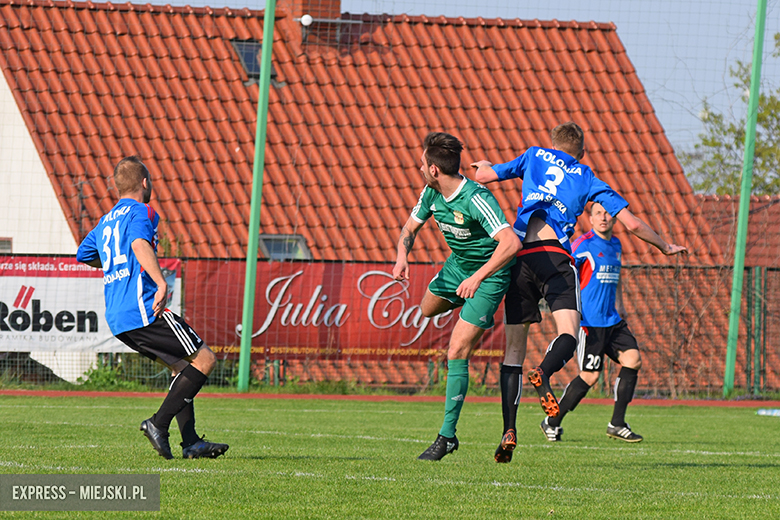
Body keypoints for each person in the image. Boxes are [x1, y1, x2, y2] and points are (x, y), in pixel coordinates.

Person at [473, 122, 686, 463]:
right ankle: (543, 371)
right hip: (554, 257)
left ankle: (508, 431)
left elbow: (486, 176)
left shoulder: (532, 155)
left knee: (512, 353)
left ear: (552, 144)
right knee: (569, 334)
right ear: (581, 151)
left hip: (519, 258)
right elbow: (631, 223)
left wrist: (483, 167)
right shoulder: (587, 177)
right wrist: (663, 245)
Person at [77, 156, 228, 460]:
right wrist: (161, 282)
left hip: (119, 317)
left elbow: (84, 254)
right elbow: (138, 245)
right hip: (143, 308)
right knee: (205, 359)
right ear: (145, 183)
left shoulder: (106, 220)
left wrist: (115, 261)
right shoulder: (142, 211)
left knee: (181, 368)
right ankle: (158, 424)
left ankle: (191, 443)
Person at [393, 132, 521, 461]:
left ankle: (446, 437)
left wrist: (478, 279)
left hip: (489, 276)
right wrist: (401, 257)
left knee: (456, 349)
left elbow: (510, 243)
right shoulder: (431, 193)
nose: (419, 167)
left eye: (422, 163)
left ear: (434, 169)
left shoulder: (476, 198)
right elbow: (409, 229)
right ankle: (471, 313)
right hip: (456, 269)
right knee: (426, 309)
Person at [540, 202, 643, 443]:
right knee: (590, 376)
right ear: (591, 218)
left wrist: (620, 304)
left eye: (607, 213)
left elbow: (613, 279)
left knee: (633, 360)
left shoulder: (616, 245)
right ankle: (551, 421)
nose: (603, 217)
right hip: (590, 322)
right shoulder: (582, 245)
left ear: (615, 218)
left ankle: (617, 423)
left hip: (613, 320)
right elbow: (563, 272)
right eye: (598, 213)